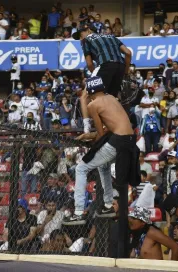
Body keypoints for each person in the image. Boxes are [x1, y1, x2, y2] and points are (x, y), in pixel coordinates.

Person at [64, 76, 140, 225]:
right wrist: (91, 135)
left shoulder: (93, 105)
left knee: (81, 168)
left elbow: (100, 134)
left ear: (90, 92)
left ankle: (79, 213)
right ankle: (108, 205)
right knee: (102, 165)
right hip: (130, 141)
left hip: (118, 140)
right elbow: (110, 127)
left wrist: (88, 136)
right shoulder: (111, 98)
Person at [72, 25, 132, 100]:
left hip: (105, 65)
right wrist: (125, 73)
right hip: (120, 67)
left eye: (81, 35)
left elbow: (90, 64)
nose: (80, 39)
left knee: (85, 97)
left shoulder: (86, 40)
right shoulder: (111, 36)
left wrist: (97, 78)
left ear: (88, 30)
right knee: (111, 98)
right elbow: (128, 52)